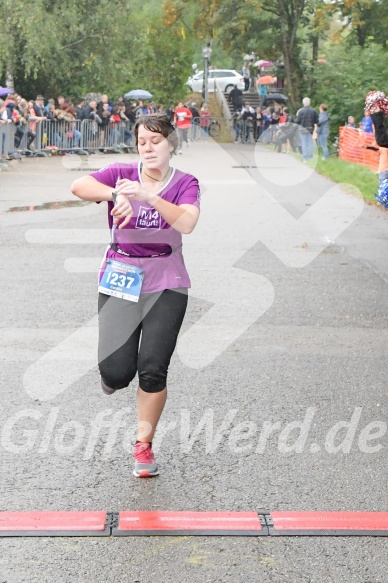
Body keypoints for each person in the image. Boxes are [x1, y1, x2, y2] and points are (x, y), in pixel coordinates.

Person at [70, 114, 200, 478]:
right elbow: (78, 186)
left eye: (156, 141)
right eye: (143, 141)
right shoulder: (120, 172)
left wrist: (147, 196)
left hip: (167, 279)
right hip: (121, 276)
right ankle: (113, 376)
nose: (149, 147)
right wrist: (115, 194)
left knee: (154, 370)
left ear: (171, 145)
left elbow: (187, 222)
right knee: (117, 371)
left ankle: (143, 447)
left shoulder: (185, 183)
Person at [296, 97, 318, 162]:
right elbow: (316, 120)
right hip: (310, 129)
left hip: (302, 129)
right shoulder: (313, 111)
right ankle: (310, 156)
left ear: (303, 103)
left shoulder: (301, 111)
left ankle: (304, 157)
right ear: (309, 103)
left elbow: (297, 121)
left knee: (304, 142)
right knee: (310, 143)